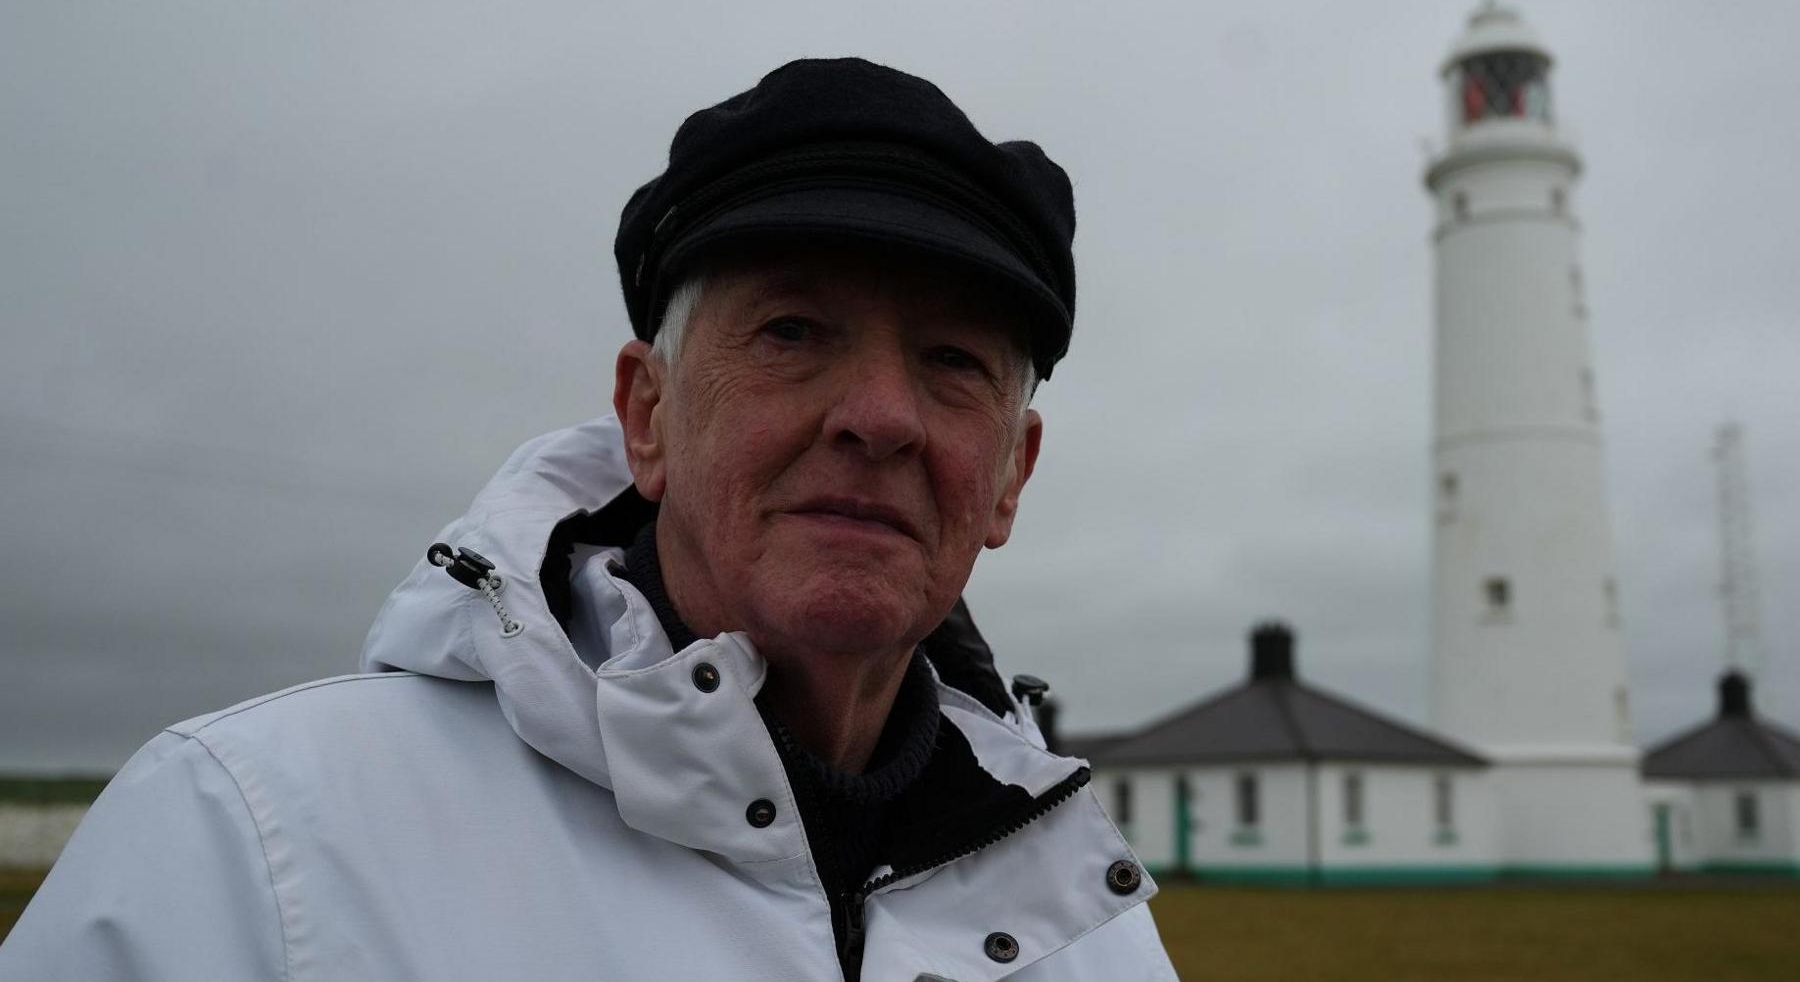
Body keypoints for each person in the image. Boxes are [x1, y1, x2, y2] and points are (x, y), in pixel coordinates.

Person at [2, 58, 1176, 981]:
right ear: (647, 414)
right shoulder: (254, 847)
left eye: (954, 361)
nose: (879, 417)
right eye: (792, 332)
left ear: (1011, 474)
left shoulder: (1080, 913)